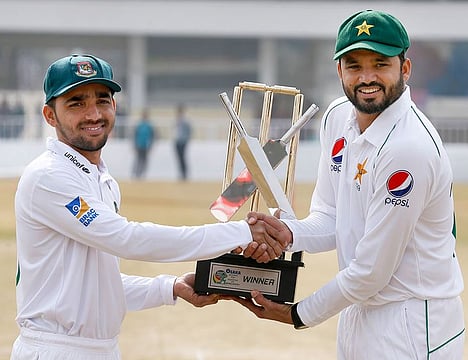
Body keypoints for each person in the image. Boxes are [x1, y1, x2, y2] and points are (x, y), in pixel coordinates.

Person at [11, 54, 287, 360]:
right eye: (76, 103)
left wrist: (170, 288)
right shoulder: (49, 176)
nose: (93, 114)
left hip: (100, 349)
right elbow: (127, 239)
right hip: (55, 350)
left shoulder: (101, 179)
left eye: (102, 101)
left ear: (114, 107)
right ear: (50, 115)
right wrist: (241, 232)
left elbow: (96, 286)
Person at [230, 10, 465, 359]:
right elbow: (331, 217)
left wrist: (298, 313)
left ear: (405, 69)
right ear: (339, 70)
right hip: (358, 311)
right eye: (354, 65)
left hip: (414, 319)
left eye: (380, 64)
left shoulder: (408, 149)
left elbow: (371, 271)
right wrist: (288, 233)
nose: (367, 77)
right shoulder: (338, 116)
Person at [132, 109, 155, 179]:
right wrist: (134, 145)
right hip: (139, 145)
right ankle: (136, 174)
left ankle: (142, 174)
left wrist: (151, 145)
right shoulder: (139, 125)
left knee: (144, 160)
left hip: (146, 145)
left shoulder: (149, 126)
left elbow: (152, 136)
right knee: (138, 160)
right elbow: (135, 135)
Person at [173, 103, 191, 180]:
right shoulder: (176, 120)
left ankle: (184, 174)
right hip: (177, 141)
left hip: (183, 141)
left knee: (182, 158)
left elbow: (189, 130)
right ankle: (181, 173)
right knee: (179, 158)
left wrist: (186, 139)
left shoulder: (185, 121)